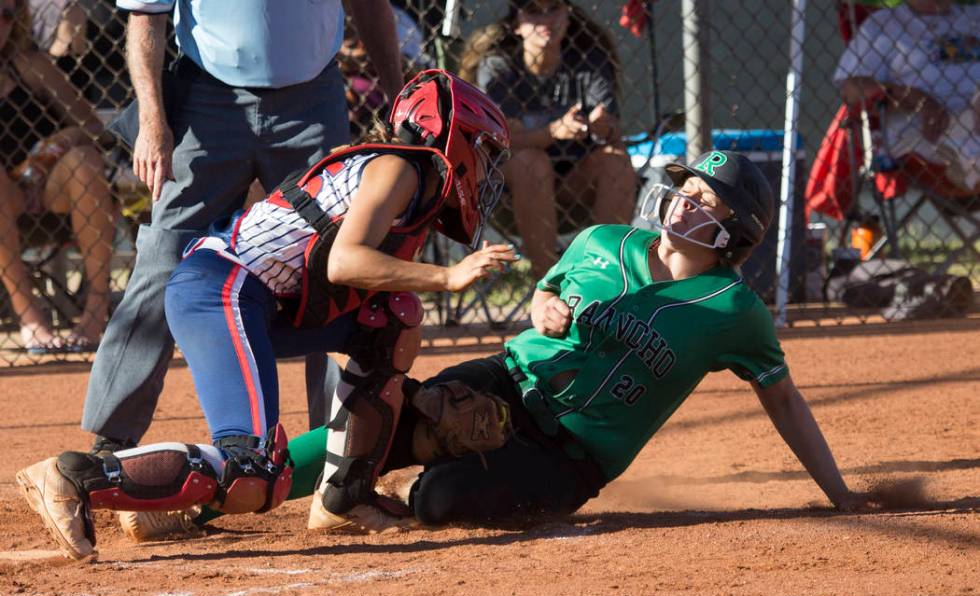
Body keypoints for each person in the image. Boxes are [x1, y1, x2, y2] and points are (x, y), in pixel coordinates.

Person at [51, 150, 876, 551]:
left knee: (442, 498)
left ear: (732, 233)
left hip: (574, 452)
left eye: (708, 199)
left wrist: (837, 491)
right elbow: (545, 295)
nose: (687, 197)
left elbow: (785, 401)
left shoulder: (733, 308)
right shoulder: (600, 239)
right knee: (375, 427)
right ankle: (196, 495)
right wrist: (544, 303)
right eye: (689, 186)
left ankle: (422, 486)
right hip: (509, 381)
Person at [17, 69, 518, 560]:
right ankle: (76, 475)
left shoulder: (413, 182)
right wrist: (446, 277)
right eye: (482, 150)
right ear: (448, 134)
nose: (485, 169)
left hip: (264, 302)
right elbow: (347, 262)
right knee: (253, 473)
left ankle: (345, 495)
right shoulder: (399, 167)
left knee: (392, 316)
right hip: (222, 290)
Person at [80, 0, 405, 456]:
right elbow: (145, 18)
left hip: (313, 100)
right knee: (163, 256)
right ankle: (111, 437)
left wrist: (396, 93)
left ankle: (339, 444)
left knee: (333, 263)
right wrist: (153, 121)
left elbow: (370, 8)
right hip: (207, 102)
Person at [460, 0, 637, 278]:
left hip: (573, 186)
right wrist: (553, 132)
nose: (546, 20)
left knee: (616, 160)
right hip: (508, 193)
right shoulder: (499, 66)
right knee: (532, 161)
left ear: (567, 14)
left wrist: (604, 127)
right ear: (517, 24)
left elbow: (609, 127)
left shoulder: (588, 59)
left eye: (553, 8)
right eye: (533, 11)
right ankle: (547, 283)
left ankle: (604, 278)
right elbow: (503, 139)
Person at [1, 0, 116, 353]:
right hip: (4, 193)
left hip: (49, 180)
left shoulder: (27, 65)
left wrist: (60, 141)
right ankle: (30, 316)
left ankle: (97, 308)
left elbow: (95, 129)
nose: (1, 24)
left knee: (83, 159)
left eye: (7, 15)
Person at [834, 0, 980, 192]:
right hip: (919, 128)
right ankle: (966, 159)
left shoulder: (974, 17)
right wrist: (912, 96)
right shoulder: (884, 24)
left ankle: (969, 159)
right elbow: (851, 89)